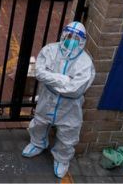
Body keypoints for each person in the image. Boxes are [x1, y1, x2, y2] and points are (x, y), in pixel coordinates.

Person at [21, 21, 95, 179]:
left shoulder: (85, 63)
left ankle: (62, 159)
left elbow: (76, 90)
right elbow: (40, 73)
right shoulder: (50, 50)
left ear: (82, 40)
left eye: (76, 37)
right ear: (63, 34)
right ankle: (37, 143)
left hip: (70, 106)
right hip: (47, 99)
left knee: (69, 132)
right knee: (40, 121)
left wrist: (52, 80)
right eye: (68, 35)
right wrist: (65, 79)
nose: (71, 39)